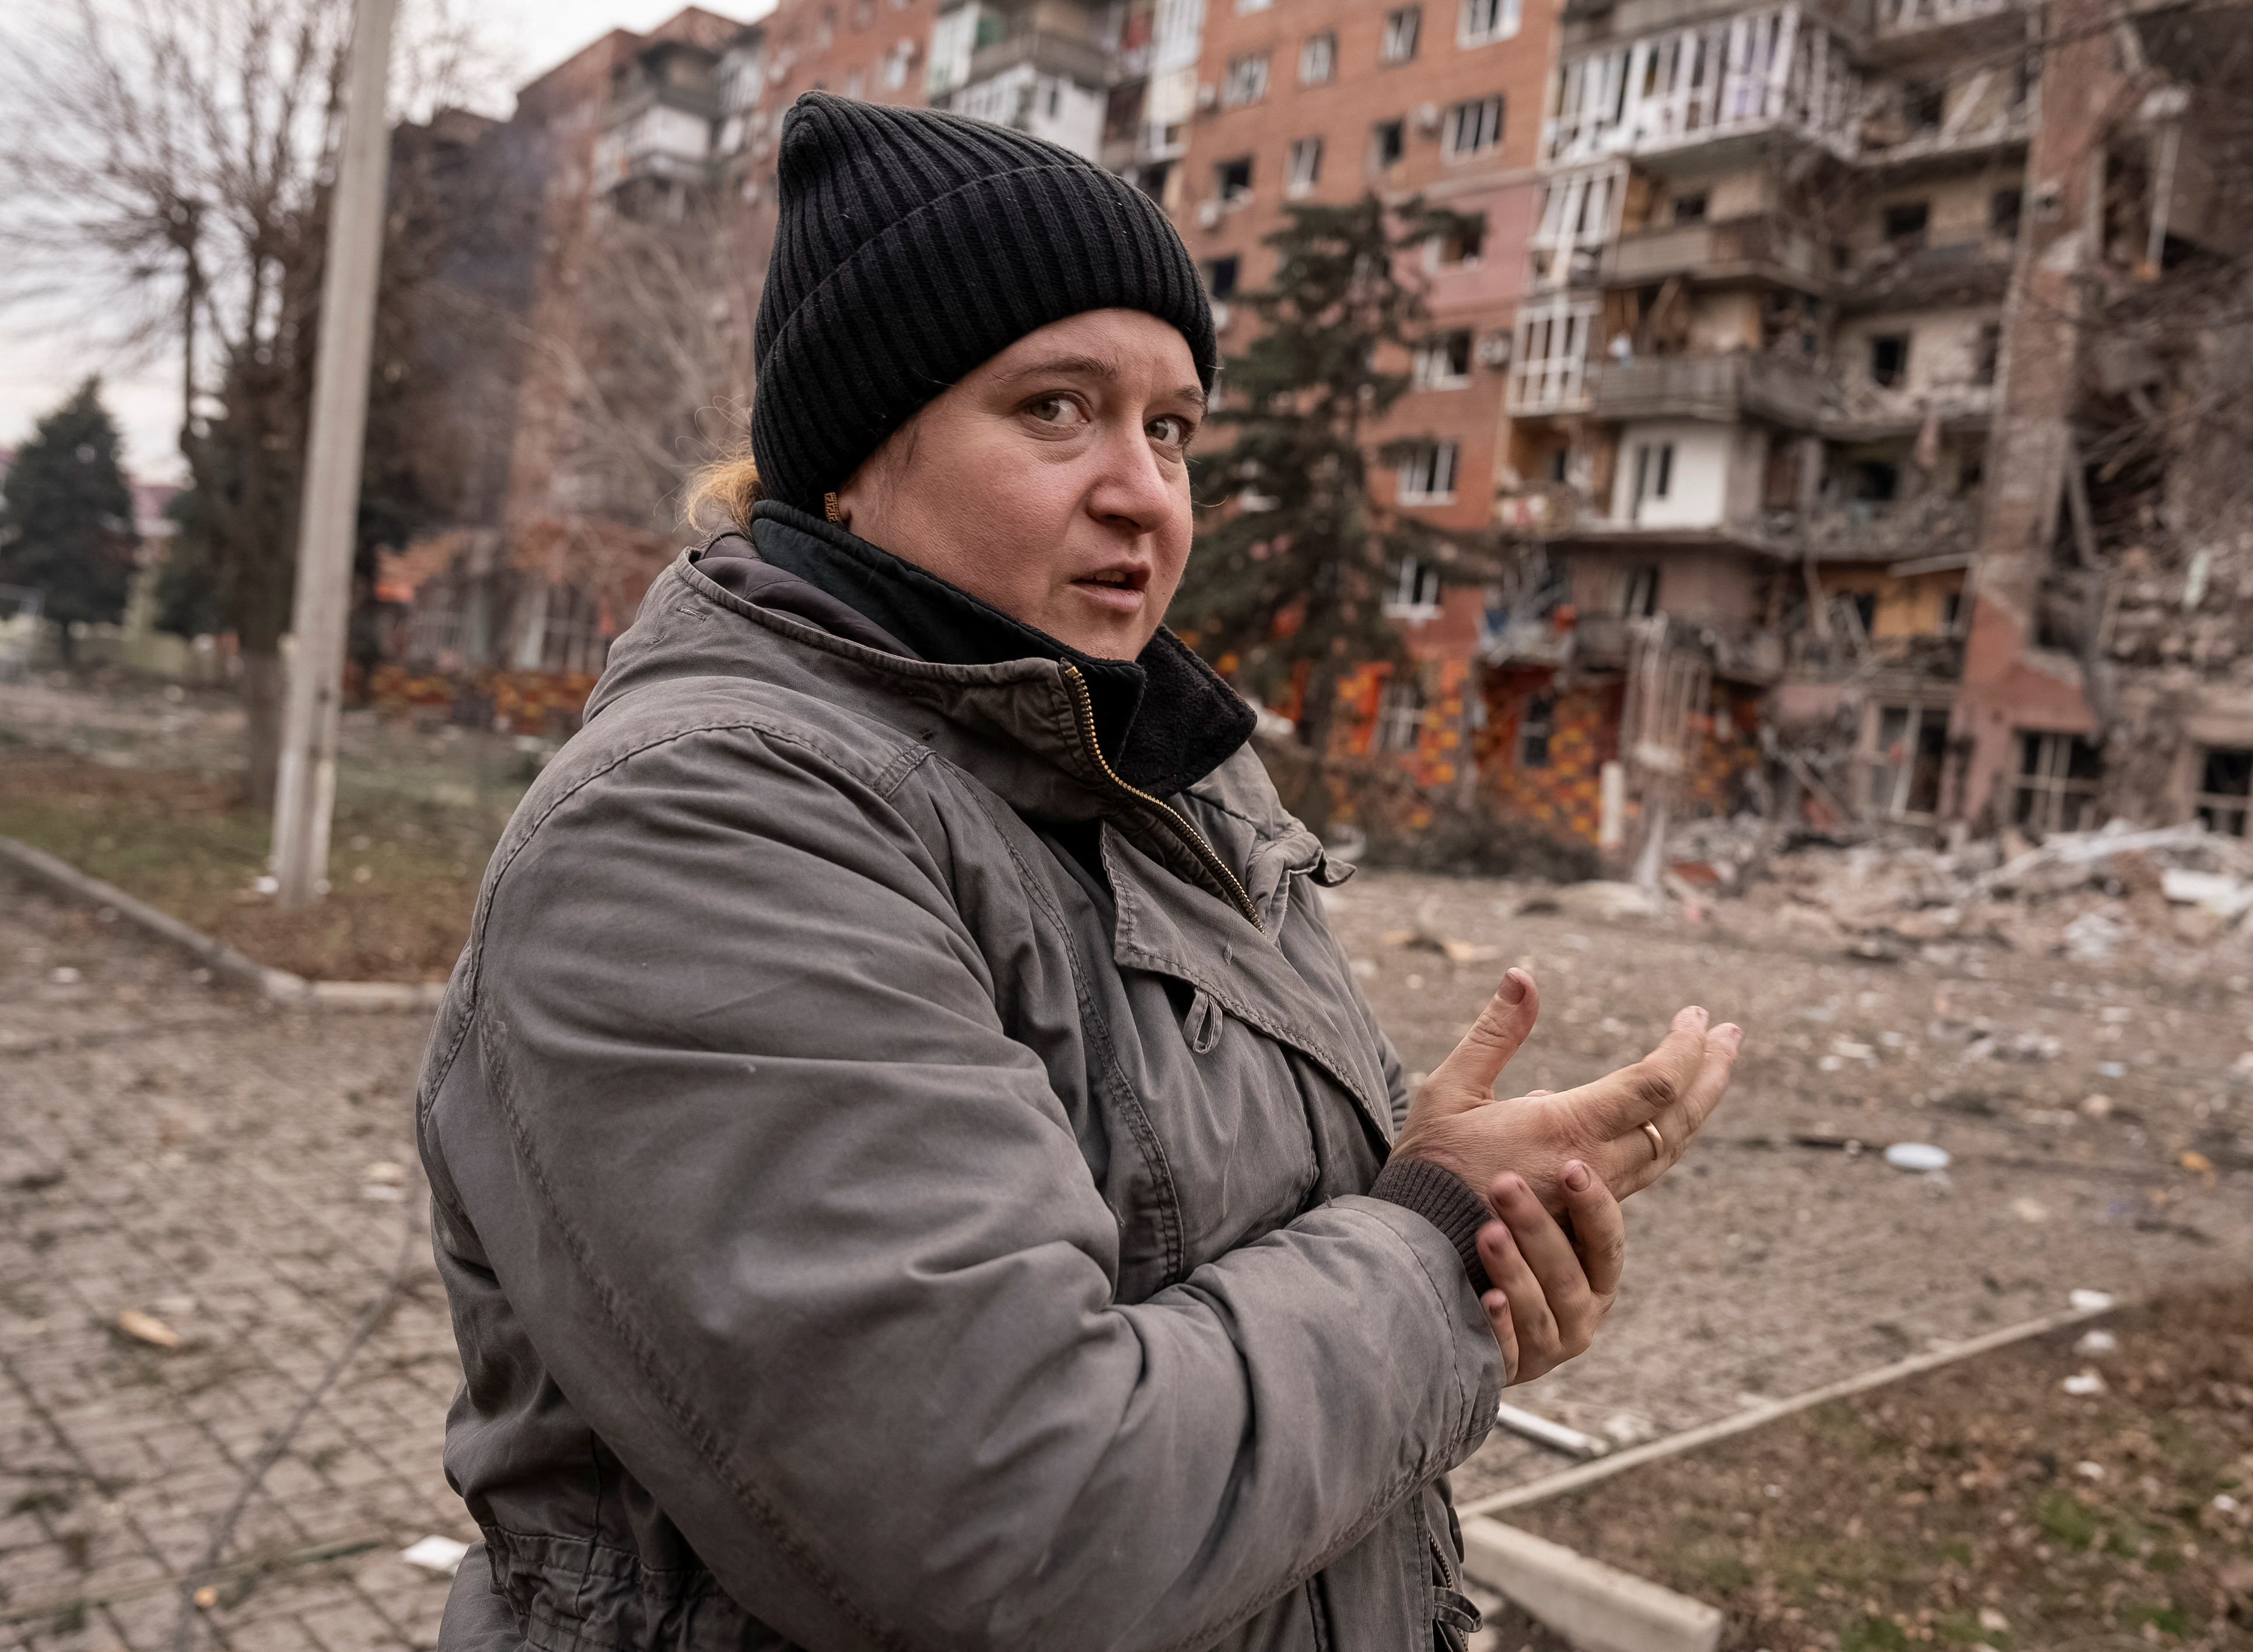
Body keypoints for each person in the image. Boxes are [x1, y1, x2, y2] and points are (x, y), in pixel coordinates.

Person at [418, 93, 1743, 1652]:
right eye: (1057, 408)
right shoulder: (699, 826)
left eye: (1170, 425)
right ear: (850, 461)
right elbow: (1017, 1528)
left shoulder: (1153, 768)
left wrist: (1467, 1207)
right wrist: (1428, 1245)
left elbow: (1267, 1230)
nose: (1145, 489)